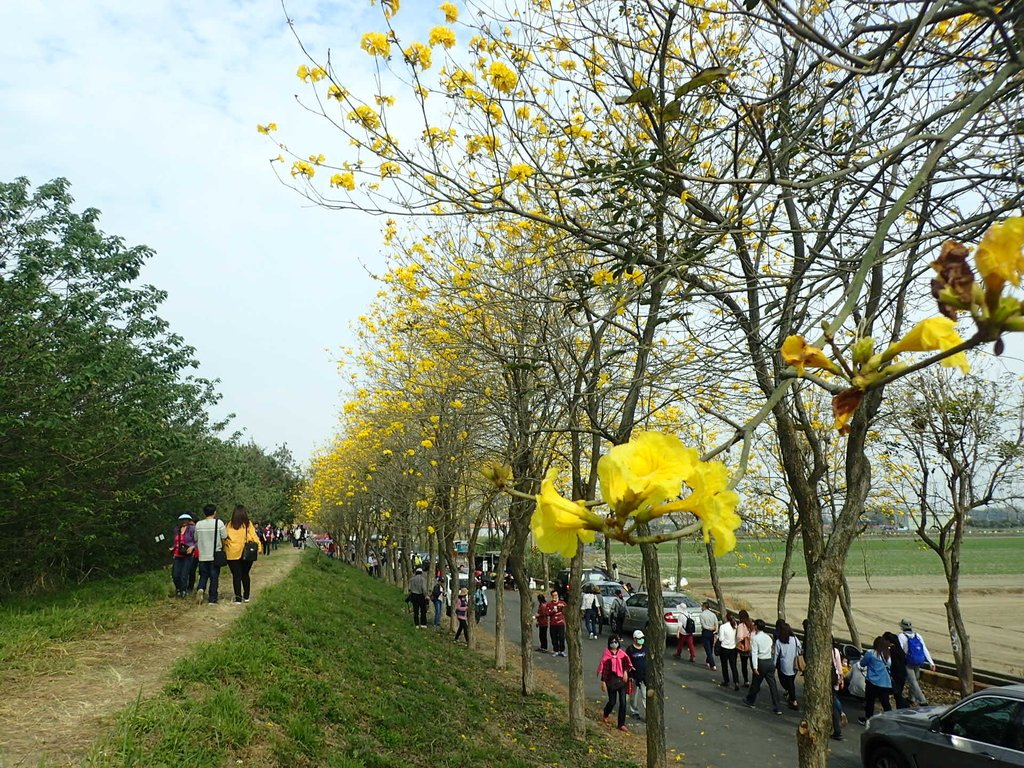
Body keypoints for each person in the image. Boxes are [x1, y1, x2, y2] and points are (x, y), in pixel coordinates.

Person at [744, 619, 783, 715]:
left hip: (761, 662)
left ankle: (751, 700)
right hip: (769, 661)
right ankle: (777, 706)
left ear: (756, 626)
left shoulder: (756, 639)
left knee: (756, 683)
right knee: (772, 685)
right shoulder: (768, 637)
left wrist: (755, 667)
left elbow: (754, 653)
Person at [224, 504, 261, 604]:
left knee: (236, 576)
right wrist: (259, 547)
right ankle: (247, 596)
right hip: (246, 553)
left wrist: (226, 547)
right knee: (245, 574)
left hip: (232, 553)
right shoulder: (247, 524)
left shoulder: (228, 524)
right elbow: (254, 537)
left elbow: (224, 538)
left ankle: (238, 598)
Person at [597, 634, 634, 732]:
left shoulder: (622, 654)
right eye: (612, 642)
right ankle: (606, 713)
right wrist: (603, 682)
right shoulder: (607, 655)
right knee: (612, 702)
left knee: (623, 702)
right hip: (611, 682)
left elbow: (627, 663)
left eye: (616, 642)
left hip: (621, 681)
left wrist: (625, 672)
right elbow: (605, 669)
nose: (614, 644)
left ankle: (621, 724)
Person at [193, 504, 227, 605]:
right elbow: (224, 536)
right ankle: (212, 599)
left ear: (204, 513)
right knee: (214, 577)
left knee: (203, 575)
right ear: (215, 512)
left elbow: (195, 538)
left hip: (202, 555)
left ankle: (201, 588)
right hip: (214, 555)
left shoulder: (198, 524)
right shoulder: (219, 523)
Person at [896, 618, 935, 706]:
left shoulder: (901, 636)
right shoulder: (918, 636)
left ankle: (922, 701)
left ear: (902, 627)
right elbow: (924, 649)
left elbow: (900, 650)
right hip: (918, 661)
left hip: (908, 662)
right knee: (915, 681)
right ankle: (911, 698)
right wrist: (931, 663)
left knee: (913, 682)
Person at [858, 636, 893, 724]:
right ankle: (891, 719)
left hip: (872, 682)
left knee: (870, 701)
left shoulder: (870, 653)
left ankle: (868, 719)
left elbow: (862, 664)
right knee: (885, 703)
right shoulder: (888, 656)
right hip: (885, 683)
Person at [774, 621, 802, 710]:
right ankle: (791, 697)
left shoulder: (779, 641)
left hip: (784, 665)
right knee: (791, 682)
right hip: (794, 664)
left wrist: (774, 664)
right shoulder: (794, 639)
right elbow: (799, 648)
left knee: (788, 683)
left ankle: (793, 700)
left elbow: (776, 654)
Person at [170, 513, 197, 598]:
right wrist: (172, 548)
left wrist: (192, 547)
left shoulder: (192, 529)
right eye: (182, 520)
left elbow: (197, 541)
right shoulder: (176, 529)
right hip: (178, 555)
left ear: (189, 521)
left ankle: (183, 590)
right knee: (175, 575)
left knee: (184, 574)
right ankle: (178, 589)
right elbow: (175, 541)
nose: (184, 522)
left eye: (186, 520)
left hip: (188, 555)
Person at [883, 631, 910, 708]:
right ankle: (901, 707)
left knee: (894, 694)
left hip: (895, 676)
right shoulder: (900, 650)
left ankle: (902, 707)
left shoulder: (892, 651)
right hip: (902, 675)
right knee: (897, 694)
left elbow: (892, 664)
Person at [626, 630, 648, 720]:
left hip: (644, 676)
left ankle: (648, 715)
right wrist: (629, 673)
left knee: (645, 696)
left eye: (642, 638)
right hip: (634, 677)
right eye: (639, 639)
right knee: (633, 696)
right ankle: (634, 711)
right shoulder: (630, 650)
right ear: (634, 639)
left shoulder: (645, 648)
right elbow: (626, 663)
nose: (641, 640)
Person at [831, 640, 848, 741]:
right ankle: (841, 712)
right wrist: (841, 679)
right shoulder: (835, 651)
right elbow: (839, 666)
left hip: (829, 678)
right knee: (834, 697)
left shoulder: (826, 651)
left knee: (833, 701)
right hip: (835, 678)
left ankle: (837, 731)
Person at [718, 615, 740, 690]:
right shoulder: (735, 625)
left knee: (724, 665)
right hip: (733, 648)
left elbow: (721, 639)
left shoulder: (723, 627)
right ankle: (736, 682)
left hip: (724, 647)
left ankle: (726, 680)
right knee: (733, 666)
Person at [699, 601, 719, 670]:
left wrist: (710, 628)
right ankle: (708, 661)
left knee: (708, 650)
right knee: (710, 648)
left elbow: (703, 625)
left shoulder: (702, 615)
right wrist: (715, 629)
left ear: (704, 607)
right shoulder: (713, 614)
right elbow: (716, 623)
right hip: (712, 633)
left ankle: (712, 664)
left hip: (706, 632)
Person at [735, 610, 754, 686]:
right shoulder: (751, 624)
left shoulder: (741, 625)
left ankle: (746, 681)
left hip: (744, 648)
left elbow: (739, 636)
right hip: (752, 647)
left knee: (744, 665)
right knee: (753, 666)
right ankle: (755, 681)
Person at [548, 589, 567, 657]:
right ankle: (555, 650)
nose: (555, 597)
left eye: (556, 595)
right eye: (553, 595)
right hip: (553, 623)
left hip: (561, 623)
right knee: (554, 637)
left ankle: (562, 650)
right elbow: (547, 613)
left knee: (562, 637)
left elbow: (567, 611)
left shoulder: (562, 603)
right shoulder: (549, 604)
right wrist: (553, 611)